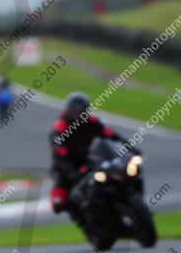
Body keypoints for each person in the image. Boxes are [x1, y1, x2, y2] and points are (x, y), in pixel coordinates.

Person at [49, 92, 133, 222]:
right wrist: (72, 172)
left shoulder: (93, 122)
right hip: (68, 163)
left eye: (82, 112)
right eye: (76, 112)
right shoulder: (60, 127)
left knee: (121, 173)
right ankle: (78, 212)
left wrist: (131, 149)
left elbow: (111, 135)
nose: (79, 115)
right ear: (69, 111)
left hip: (91, 159)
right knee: (59, 202)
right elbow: (59, 153)